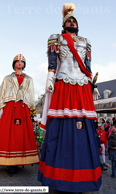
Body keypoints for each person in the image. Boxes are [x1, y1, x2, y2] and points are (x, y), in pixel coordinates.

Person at [38, 3, 101, 193]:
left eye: (74, 20)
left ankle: (84, 173)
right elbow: (51, 62)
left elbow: (88, 67)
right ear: (64, 23)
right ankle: (59, 174)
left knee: (83, 121)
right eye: (69, 20)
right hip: (63, 82)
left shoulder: (86, 41)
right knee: (61, 119)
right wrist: (50, 79)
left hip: (82, 85)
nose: (72, 22)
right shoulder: (55, 38)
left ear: (77, 24)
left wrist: (93, 85)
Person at [0, 54, 39, 175]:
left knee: (21, 134)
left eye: (22, 61)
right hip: (10, 107)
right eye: (18, 61)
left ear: (24, 65)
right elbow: (1, 93)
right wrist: (1, 109)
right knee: (7, 133)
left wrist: (32, 110)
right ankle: (9, 162)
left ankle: (20, 160)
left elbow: (31, 95)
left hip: (23, 107)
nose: (20, 63)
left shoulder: (29, 79)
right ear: (14, 63)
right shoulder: (7, 78)